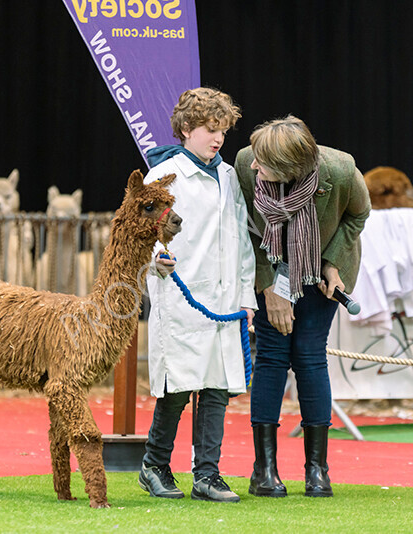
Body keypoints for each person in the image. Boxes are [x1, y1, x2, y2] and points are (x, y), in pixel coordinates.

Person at [234, 115, 370, 498]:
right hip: (269, 263)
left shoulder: (341, 169)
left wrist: (333, 262)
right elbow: (246, 228)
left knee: (310, 355)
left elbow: (359, 213)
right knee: (273, 355)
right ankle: (264, 470)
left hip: (321, 273)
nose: (255, 165)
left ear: (290, 168)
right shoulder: (247, 163)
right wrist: (267, 286)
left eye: (265, 163)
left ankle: (317, 470)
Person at [138, 88, 257, 503]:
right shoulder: (162, 176)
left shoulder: (228, 176)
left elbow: (241, 239)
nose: (218, 137)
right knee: (177, 387)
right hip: (181, 300)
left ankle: (208, 474)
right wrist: (157, 260)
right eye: (210, 128)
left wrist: (247, 299)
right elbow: (142, 233)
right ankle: (154, 465)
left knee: (218, 389)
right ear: (186, 128)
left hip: (224, 304)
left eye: (223, 129)